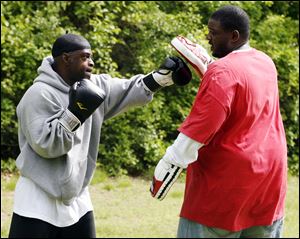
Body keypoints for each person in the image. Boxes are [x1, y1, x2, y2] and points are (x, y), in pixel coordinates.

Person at [8, 33, 192, 238]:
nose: (91, 62)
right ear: (66, 58)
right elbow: (47, 146)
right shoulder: (39, 94)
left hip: (78, 198)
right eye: (84, 57)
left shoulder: (93, 86)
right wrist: (75, 113)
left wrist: (162, 77)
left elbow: (127, 89)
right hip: (38, 198)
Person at [150, 5, 287, 238]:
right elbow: (244, 100)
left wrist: (167, 167)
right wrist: (213, 69)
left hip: (223, 186)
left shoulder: (222, 72)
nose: (207, 37)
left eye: (213, 33)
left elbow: (200, 128)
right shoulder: (265, 62)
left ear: (233, 36)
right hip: (270, 181)